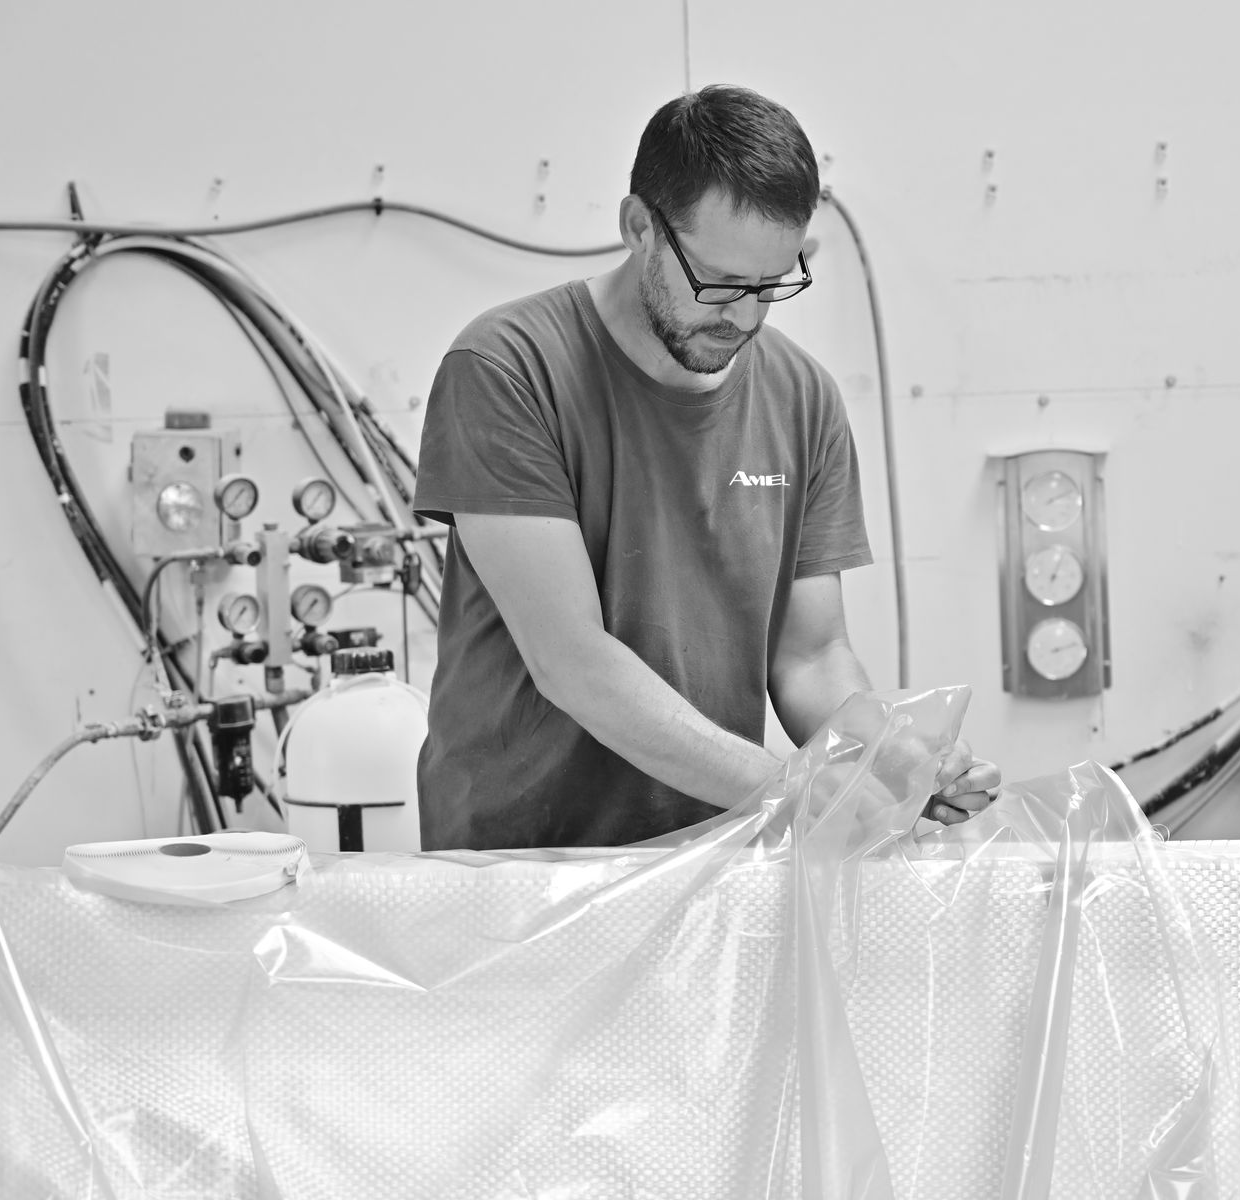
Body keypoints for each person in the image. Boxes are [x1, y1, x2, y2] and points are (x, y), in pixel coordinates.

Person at [412, 84, 1000, 851]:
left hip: (707, 853)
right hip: (519, 864)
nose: (746, 317)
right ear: (639, 229)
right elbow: (571, 659)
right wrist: (791, 787)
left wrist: (887, 760)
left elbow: (811, 654)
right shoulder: (507, 367)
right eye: (720, 284)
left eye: (772, 285)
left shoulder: (802, 397)